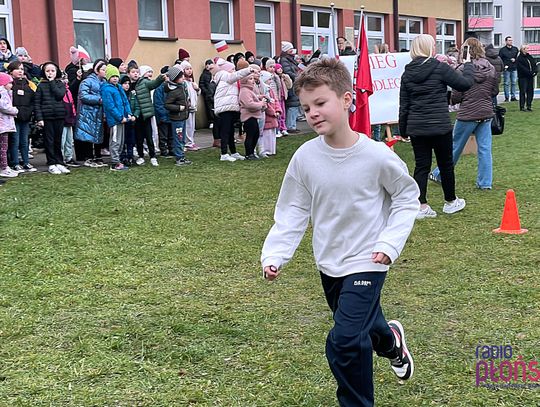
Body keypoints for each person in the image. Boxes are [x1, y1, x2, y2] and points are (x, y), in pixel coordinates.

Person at [261, 58, 419, 407]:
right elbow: (293, 210)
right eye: (306, 108)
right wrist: (275, 254)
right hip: (330, 261)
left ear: (347, 99)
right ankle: (391, 342)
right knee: (364, 323)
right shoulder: (305, 157)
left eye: (320, 103)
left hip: (369, 259)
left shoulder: (376, 156)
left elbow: (407, 198)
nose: (312, 113)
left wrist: (389, 243)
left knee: (346, 340)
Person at [399, 34, 473, 219]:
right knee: (445, 164)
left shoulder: (407, 73)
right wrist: (468, 65)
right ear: (429, 48)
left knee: (421, 166)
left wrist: (403, 129)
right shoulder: (440, 68)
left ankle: (421, 205)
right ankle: (450, 201)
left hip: (417, 126)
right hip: (440, 125)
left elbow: (404, 104)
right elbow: (464, 84)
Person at [430, 37, 499, 191]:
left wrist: (453, 101)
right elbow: (494, 91)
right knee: (485, 149)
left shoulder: (462, 69)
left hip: (468, 112)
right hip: (486, 111)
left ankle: (439, 174)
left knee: (455, 146)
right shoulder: (491, 68)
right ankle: (485, 183)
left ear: (466, 51)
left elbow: (456, 95)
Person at [213, 58, 253, 162]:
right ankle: (224, 153)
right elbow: (236, 75)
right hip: (225, 108)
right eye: (232, 69)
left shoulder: (228, 78)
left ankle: (233, 152)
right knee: (225, 131)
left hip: (230, 108)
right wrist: (248, 70)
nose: (234, 71)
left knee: (230, 131)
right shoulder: (225, 76)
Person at [34, 62, 70, 175]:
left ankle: (59, 162)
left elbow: (59, 95)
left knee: (58, 140)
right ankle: (51, 163)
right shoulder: (40, 86)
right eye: (48, 71)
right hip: (47, 117)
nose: (50, 73)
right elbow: (37, 103)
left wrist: (52, 82)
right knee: (49, 141)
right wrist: (39, 118)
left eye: (52, 71)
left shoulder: (60, 84)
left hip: (59, 115)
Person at [129, 63, 165, 166]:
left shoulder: (144, 82)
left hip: (145, 114)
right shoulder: (128, 85)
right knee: (138, 138)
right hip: (135, 116)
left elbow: (153, 84)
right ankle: (140, 156)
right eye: (133, 72)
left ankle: (153, 156)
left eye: (137, 72)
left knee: (149, 136)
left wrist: (161, 78)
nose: (135, 74)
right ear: (129, 73)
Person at [101, 64, 134, 171]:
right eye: (112, 76)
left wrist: (129, 113)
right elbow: (110, 106)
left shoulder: (119, 87)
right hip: (115, 120)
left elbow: (125, 101)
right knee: (115, 141)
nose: (115, 78)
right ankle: (115, 162)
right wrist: (120, 117)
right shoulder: (106, 89)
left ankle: (118, 160)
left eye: (116, 76)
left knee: (121, 140)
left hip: (122, 119)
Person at [74, 59, 107, 168]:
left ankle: (98, 156)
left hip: (99, 112)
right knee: (88, 134)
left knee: (98, 134)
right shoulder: (87, 81)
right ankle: (88, 157)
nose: (105, 72)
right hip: (88, 112)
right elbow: (83, 96)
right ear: (97, 70)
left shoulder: (104, 82)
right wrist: (99, 99)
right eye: (103, 70)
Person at [6, 61, 36, 172]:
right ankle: (15, 163)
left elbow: (32, 100)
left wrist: (30, 111)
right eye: (17, 69)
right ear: (10, 71)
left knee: (25, 141)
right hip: (13, 117)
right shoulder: (9, 85)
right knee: (15, 140)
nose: (20, 71)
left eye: (22, 69)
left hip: (25, 117)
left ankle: (26, 162)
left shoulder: (28, 84)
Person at [164, 64, 192, 167]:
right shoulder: (173, 91)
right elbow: (167, 104)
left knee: (182, 139)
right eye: (181, 77)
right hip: (177, 119)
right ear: (175, 79)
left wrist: (187, 104)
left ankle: (182, 156)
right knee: (178, 138)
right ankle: (179, 158)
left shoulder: (181, 87)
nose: (183, 78)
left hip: (183, 117)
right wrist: (179, 108)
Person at [239, 72, 266, 160]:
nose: (253, 81)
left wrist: (260, 98)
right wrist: (261, 103)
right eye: (250, 79)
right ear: (245, 81)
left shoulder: (249, 90)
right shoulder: (244, 91)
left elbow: (253, 99)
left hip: (254, 116)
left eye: (253, 79)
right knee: (250, 135)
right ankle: (249, 154)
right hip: (248, 116)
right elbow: (249, 104)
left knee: (255, 134)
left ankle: (251, 153)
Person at [279, 41, 301, 134]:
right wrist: (297, 77)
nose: (293, 50)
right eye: (290, 49)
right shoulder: (284, 60)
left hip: (294, 84)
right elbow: (288, 71)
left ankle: (292, 125)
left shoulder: (290, 59)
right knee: (292, 105)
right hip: (291, 85)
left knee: (294, 105)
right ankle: (290, 126)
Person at [0, 72, 19, 178]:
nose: (11, 85)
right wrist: (15, 110)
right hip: (2, 125)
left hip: (5, 125)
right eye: (10, 83)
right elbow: (4, 106)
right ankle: (3, 167)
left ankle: (5, 166)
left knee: (4, 147)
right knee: (3, 148)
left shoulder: (6, 93)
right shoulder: (2, 92)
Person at [180, 61, 200, 151]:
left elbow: (197, 93)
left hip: (193, 107)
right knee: (188, 126)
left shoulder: (192, 82)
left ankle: (191, 141)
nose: (189, 71)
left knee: (192, 126)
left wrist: (197, 89)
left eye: (190, 69)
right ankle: (188, 143)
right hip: (187, 108)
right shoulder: (183, 82)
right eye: (187, 69)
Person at [516, 44, 537, 112]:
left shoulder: (530, 57)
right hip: (523, 77)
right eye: (527, 48)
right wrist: (529, 73)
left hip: (530, 77)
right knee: (523, 91)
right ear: (523, 49)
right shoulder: (519, 58)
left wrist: (535, 71)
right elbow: (521, 68)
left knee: (530, 91)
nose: (528, 49)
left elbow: (534, 64)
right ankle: (522, 106)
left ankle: (529, 105)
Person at [498, 36, 519, 102]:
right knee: (506, 83)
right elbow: (500, 59)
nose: (511, 41)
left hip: (514, 68)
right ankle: (506, 97)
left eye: (511, 40)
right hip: (506, 69)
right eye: (509, 40)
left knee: (514, 83)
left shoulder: (515, 49)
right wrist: (503, 66)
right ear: (506, 41)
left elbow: (518, 58)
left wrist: (515, 60)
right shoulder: (502, 50)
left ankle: (513, 97)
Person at [199, 59, 216, 130]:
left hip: (215, 94)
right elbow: (201, 84)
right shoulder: (204, 75)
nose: (208, 66)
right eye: (207, 64)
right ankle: (211, 121)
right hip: (208, 95)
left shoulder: (214, 73)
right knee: (209, 108)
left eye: (210, 64)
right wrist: (206, 92)